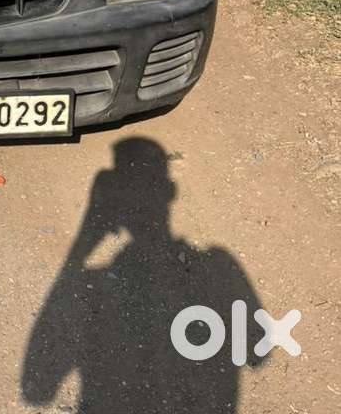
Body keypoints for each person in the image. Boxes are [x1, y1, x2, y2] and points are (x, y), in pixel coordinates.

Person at [22, 137, 266, 413]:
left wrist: (80, 249)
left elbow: (37, 389)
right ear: (170, 191)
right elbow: (259, 350)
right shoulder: (218, 264)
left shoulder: (91, 284)